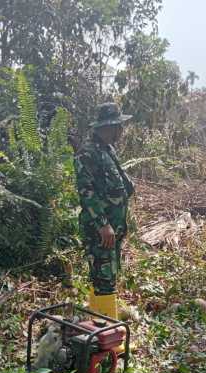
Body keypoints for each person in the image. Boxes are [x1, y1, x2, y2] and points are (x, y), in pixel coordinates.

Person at [74, 102, 135, 319]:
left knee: (105, 276)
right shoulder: (87, 153)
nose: (122, 131)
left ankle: (100, 321)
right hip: (101, 230)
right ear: (110, 126)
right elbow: (86, 192)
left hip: (113, 228)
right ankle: (106, 330)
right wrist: (103, 224)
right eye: (119, 126)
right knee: (104, 278)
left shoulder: (107, 150)